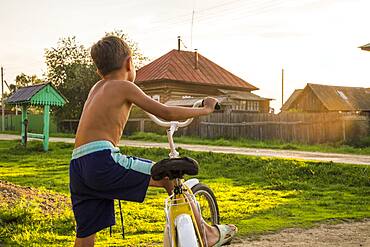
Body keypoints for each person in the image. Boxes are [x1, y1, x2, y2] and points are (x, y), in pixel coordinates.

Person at [69, 35, 237, 247]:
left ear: (98, 70)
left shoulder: (96, 88)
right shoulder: (124, 87)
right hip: (101, 160)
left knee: (86, 235)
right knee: (168, 177)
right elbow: (165, 112)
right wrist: (205, 109)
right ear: (129, 63)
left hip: (77, 165)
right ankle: (205, 233)